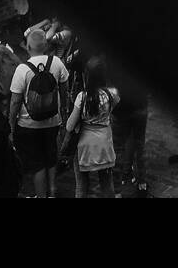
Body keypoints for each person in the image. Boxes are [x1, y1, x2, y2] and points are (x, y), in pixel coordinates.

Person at [8, 28, 70, 198]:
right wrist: (64, 113)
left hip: (28, 125)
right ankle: (52, 191)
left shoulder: (22, 69)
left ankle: (41, 196)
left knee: (36, 164)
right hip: (53, 121)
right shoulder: (57, 62)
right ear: (45, 45)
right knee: (50, 157)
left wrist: (11, 126)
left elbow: (15, 101)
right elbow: (65, 91)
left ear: (28, 46)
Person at [64, 57, 119, 198]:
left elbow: (70, 126)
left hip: (84, 146)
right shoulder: (112, 94)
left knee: (81, 186)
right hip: (104, 146)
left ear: (86, 75)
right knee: (107, 184)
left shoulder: (82, 97)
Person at [109, 58, 150, 197]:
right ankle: (142, 183)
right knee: (140, 146)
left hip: (121, 110)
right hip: (139, 106)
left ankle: (117, 190)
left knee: (118, 148)